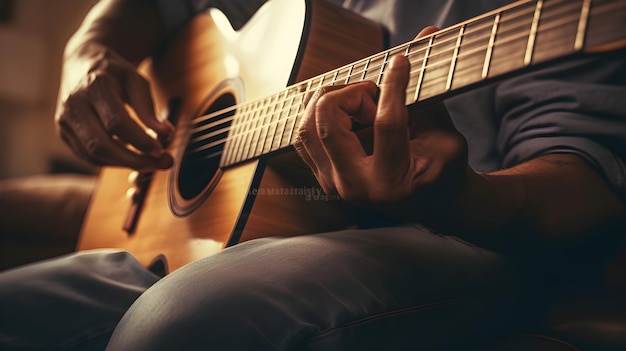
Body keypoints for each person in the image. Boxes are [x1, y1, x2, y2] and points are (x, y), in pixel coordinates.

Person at [1, 0, 625, 349]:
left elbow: (586, 179)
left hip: (461, 235)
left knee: (180, 323)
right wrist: (88, 49)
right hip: (196, 237)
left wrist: (458, 197)